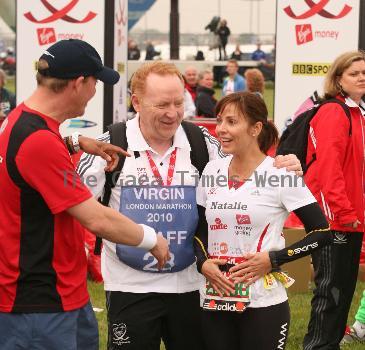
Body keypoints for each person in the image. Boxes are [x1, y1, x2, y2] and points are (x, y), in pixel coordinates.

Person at [77, 61, 303, 350]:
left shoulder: (201, 142)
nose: (172, 113)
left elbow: (250, 162)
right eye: (162, 104)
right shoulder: (110, 144)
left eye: (179, 102)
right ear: (136, 102)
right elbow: (73, 202)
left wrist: (284, 164)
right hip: (129, 285)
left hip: (191, 285)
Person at [0, 39, 169, 350]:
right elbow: (96, 218)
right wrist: (151, 240)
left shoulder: (21, 121)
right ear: (78, 83)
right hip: (39, 304)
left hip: (60, 293)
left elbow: (26, 161)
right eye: (95, 83)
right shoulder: (38, 141)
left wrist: (76, 142)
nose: (94, 93)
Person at [194, 91, 333, 350]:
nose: (221, 129)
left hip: (263, 301)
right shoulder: (212, 170)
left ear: (256, 128)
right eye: (220, 121)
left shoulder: (280, 173)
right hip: (214, 296)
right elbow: (199, 229)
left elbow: (322, 231)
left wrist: (274, 259)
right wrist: (202, 264)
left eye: (232, 122)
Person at [302, 50, 365, 350]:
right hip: (334, 220)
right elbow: (329, 168)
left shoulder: (357, 112)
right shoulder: (333, 112)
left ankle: (330, 344)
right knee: (330, 293)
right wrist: (342, 211)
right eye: (354, 73)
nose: (362, 77)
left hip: (351, 218)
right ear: (338, 79)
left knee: (342, 292)